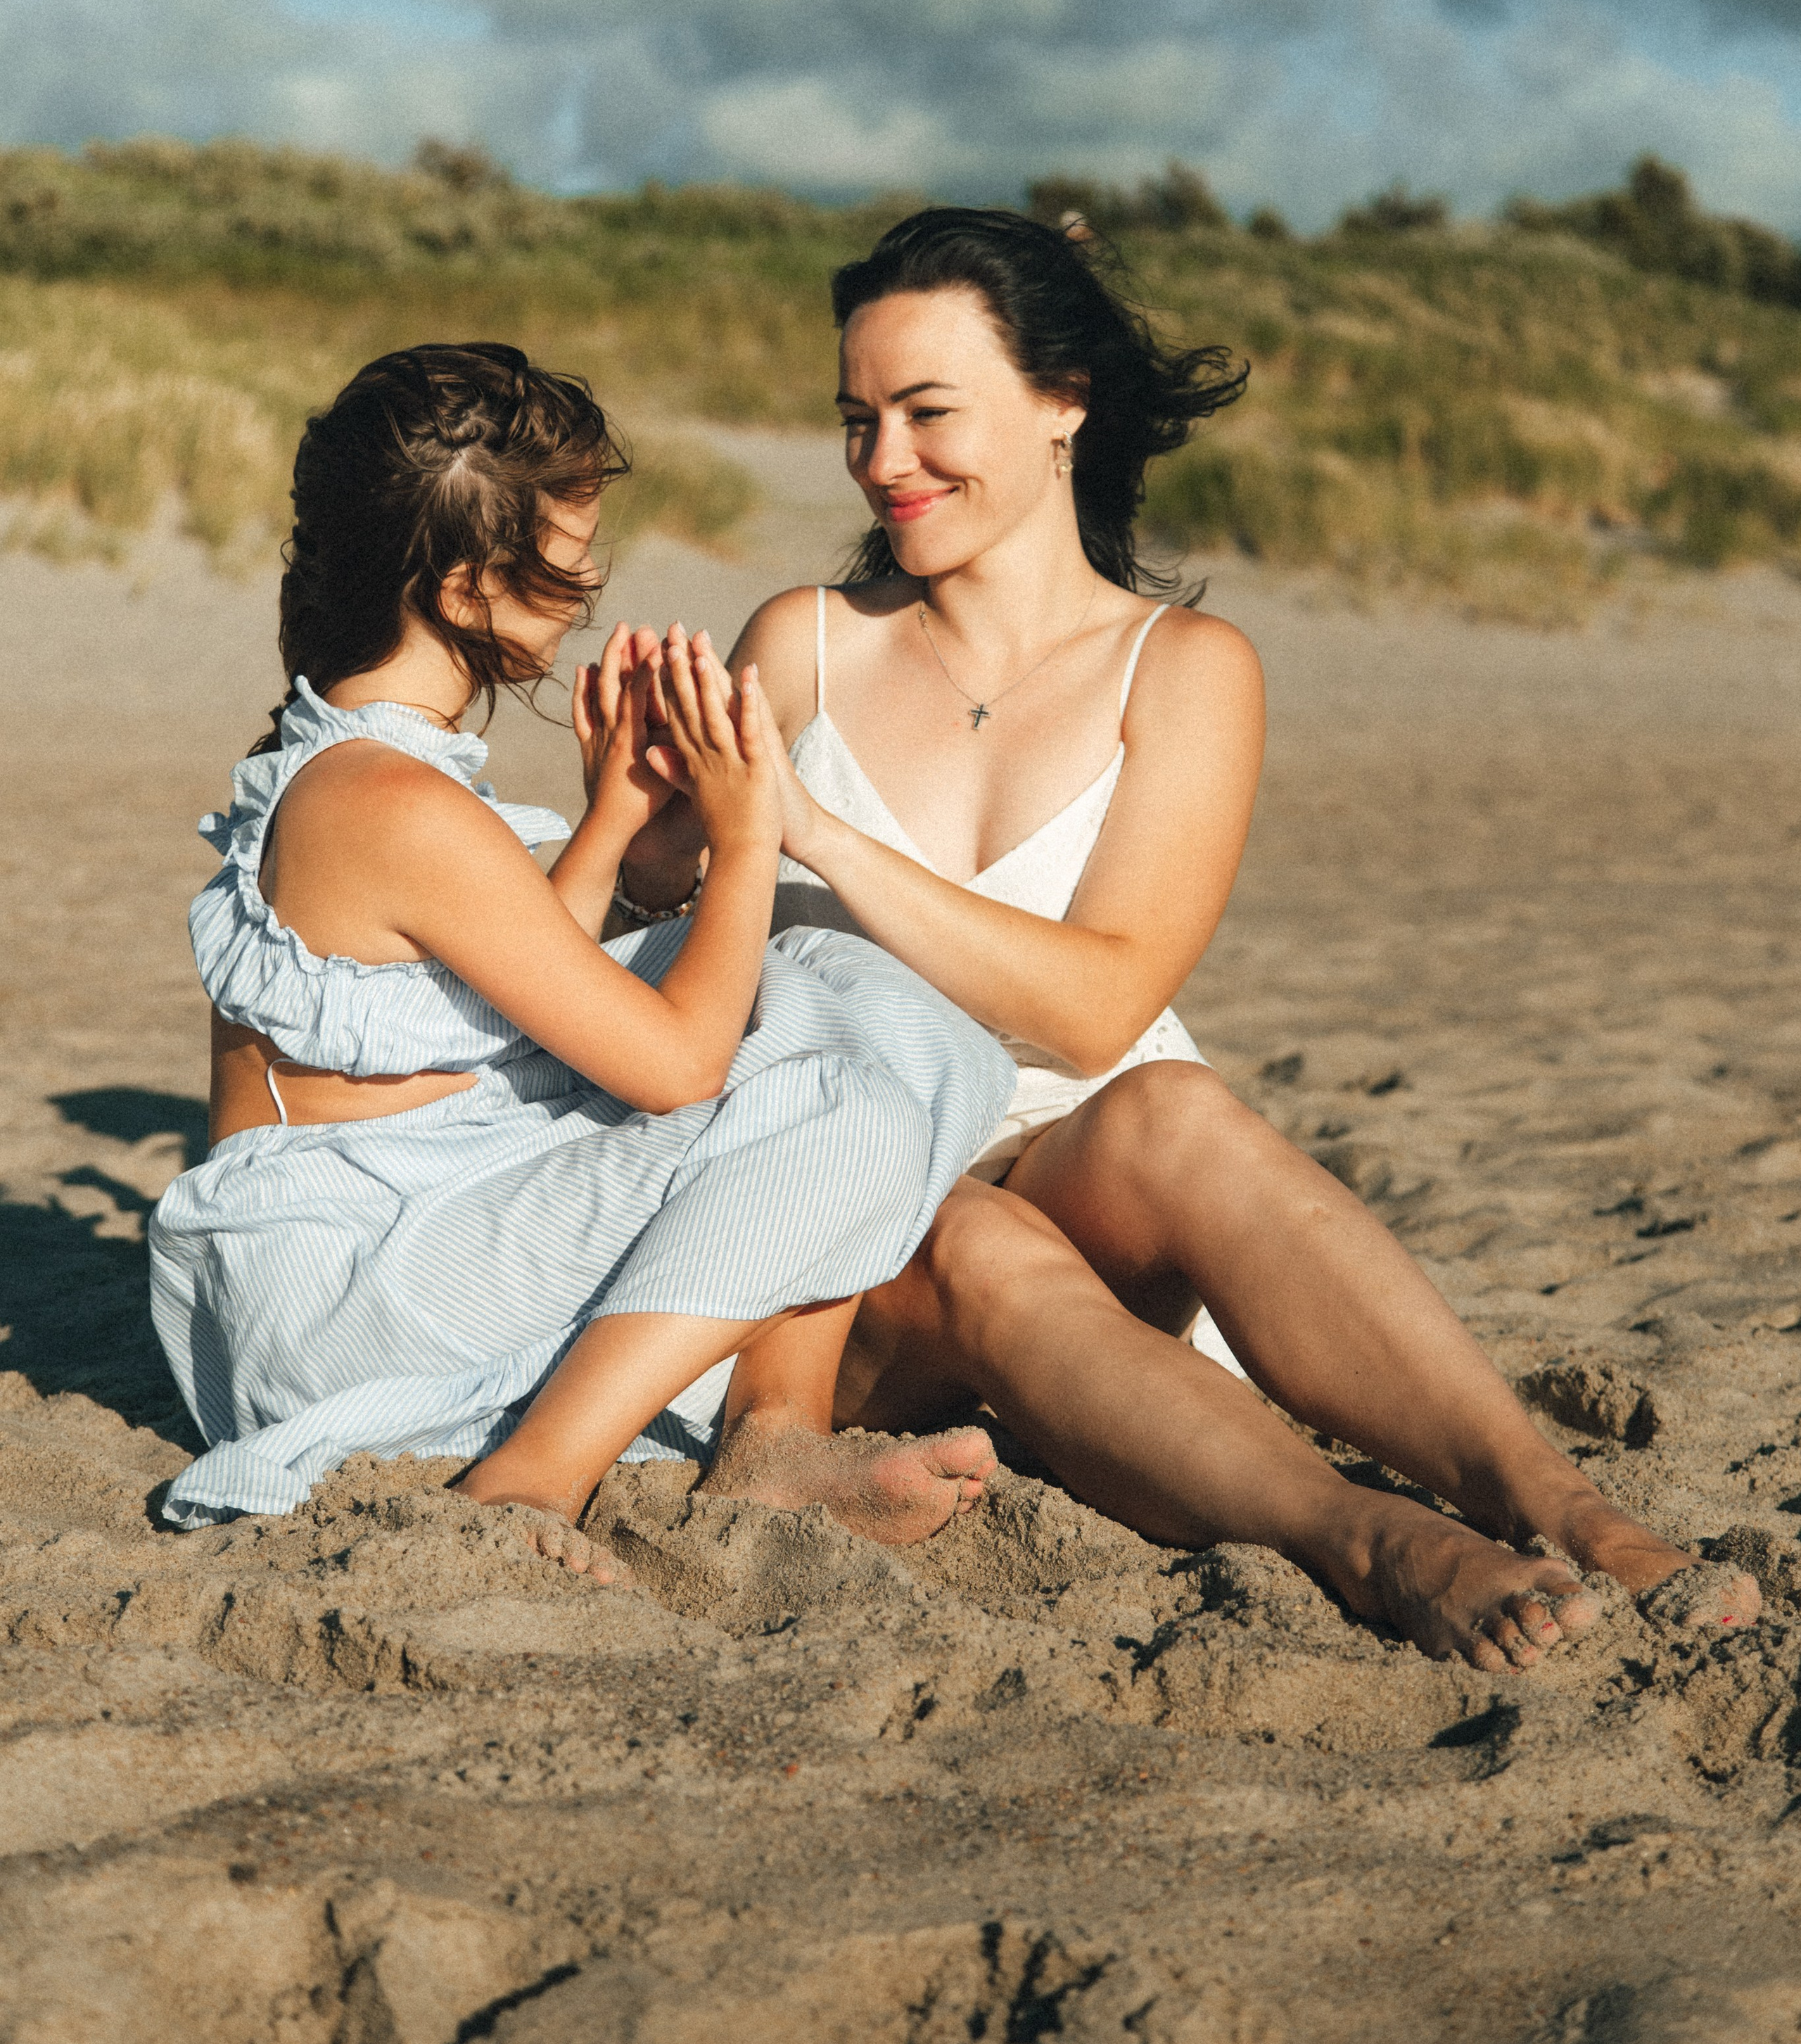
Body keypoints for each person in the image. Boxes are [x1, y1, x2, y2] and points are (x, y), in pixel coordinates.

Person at [609, 209, 1759, 1671]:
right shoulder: (803, 642)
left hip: (1085, 1160)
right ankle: (1372, 1540)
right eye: (856, 420)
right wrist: (656, 838)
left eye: (925, 413)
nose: (881, 462)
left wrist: (815, 836)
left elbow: (1095, 1013)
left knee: (1177, 1110)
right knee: (973, 1229)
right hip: (852, 1224)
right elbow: (659, 925)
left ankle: (1563, 1507)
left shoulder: (1185, 670)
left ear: (1060, 406)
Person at [148, 341, 1016, 1555]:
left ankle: (770, 1436)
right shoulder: (391, 802)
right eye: (565, 563)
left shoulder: (362, 764)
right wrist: (751, 833)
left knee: (835, 991)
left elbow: (478, 1007)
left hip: (385, 1243)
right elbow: (676, 1070)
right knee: (856, 1081)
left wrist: (611, 820)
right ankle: (540, 1474)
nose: (588, 582)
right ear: (464, 589)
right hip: (351, 1308)